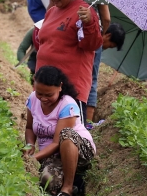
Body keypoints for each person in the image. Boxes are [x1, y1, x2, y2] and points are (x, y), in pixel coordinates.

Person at [34, 0, 103, 123]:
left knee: (71, 139)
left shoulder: (84, 12)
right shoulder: (52, 11)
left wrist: (89, 23)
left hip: (70, 90)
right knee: (48, 136)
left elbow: (92, 45)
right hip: (47, 89)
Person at [24, 66, 96, 196]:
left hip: (79, 151)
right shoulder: (32, 99)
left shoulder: (67, 105)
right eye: (40, 93)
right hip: (52, 155)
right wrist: (29, 145)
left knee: (66, 134)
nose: (43, 98)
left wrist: (33, 158)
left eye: (49, 95)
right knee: (47, 180)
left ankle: (67, 188)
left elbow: (56, 142)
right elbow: (29, 127)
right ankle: (69, 186)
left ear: (60, 87)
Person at [86, 23, 126, 125]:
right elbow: (92, 77)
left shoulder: (87, 35)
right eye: (110, 45)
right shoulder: (97, 44)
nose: (107, 48)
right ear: (108, 36)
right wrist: (91, 103)